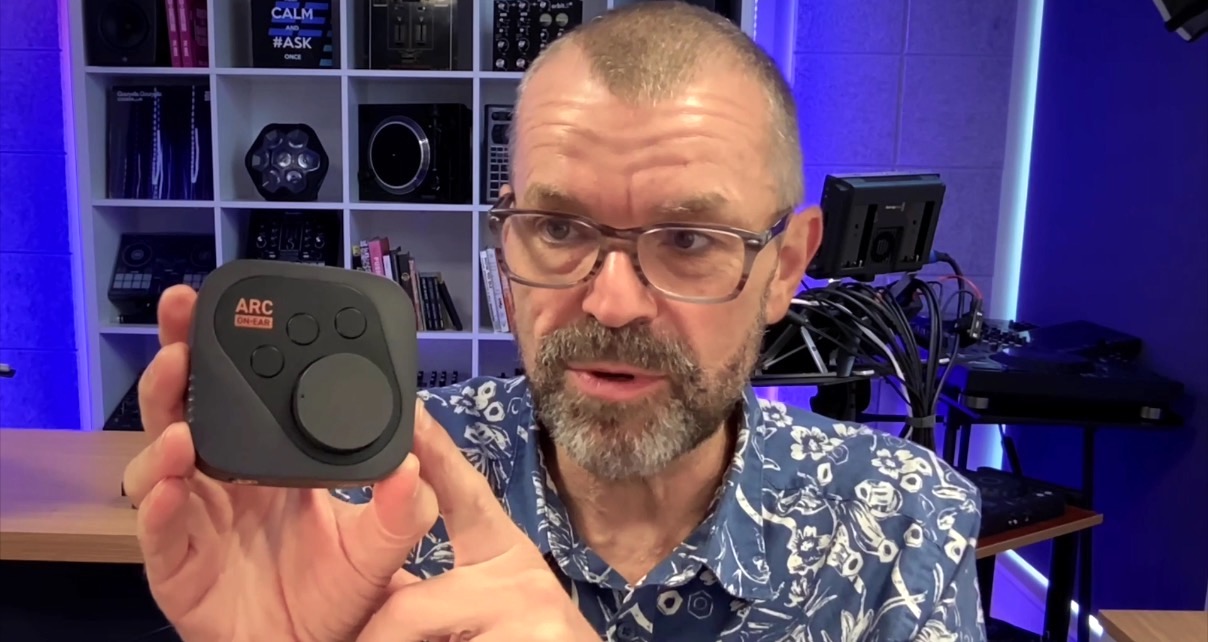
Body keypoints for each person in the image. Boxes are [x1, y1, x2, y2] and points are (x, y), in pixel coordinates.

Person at [123, 2, 985, 640]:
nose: (611, 302)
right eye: (560, 229)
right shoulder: (363, 504)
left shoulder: (902, 532)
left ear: (785, 267)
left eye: (688, 239)